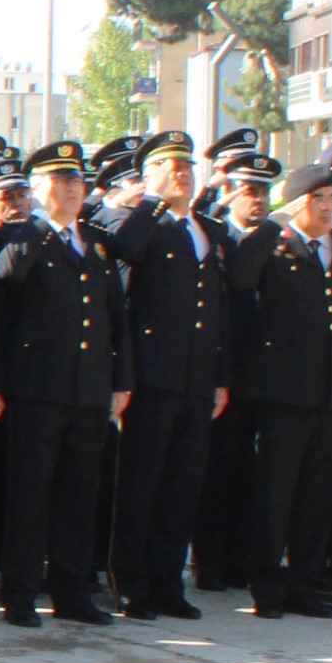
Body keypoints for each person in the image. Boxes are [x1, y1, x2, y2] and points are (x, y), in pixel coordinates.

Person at [0, 141, 127, 627]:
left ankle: (72, 592)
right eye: (60, 181)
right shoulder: (24, 236)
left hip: (89, 389)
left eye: (76, 182)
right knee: (30, 494)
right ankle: (21, 593)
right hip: (38, 388)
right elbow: (6, 279)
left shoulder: (94, 242)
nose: (71, 189)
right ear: (38, 189)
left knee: (79, 493)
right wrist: (30, 226)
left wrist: (120, 380)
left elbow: (116, 317)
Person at [92, 131, 226, 619]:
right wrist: (152, 200)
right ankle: (132, 583)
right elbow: (124, 256)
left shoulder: (206, 228)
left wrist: (220, 377)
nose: (182, 175)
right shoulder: (139, 223)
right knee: (141, 485)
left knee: (181, 486)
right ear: (150, 175)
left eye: (187, 167)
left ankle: (169, 581)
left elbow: (219, 311)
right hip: (151, 377)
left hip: (196, 377)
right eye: (170, 168)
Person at [226, 162, 332, 618]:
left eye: (331, 199)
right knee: (275, 494)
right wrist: (276, 221)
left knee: (317, 494)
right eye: (317, 200)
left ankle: (304, 585)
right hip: (284, 392)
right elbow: (241, 276)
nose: (327, 208)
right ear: (299, 203)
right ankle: (266, 585)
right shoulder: (274, 244)